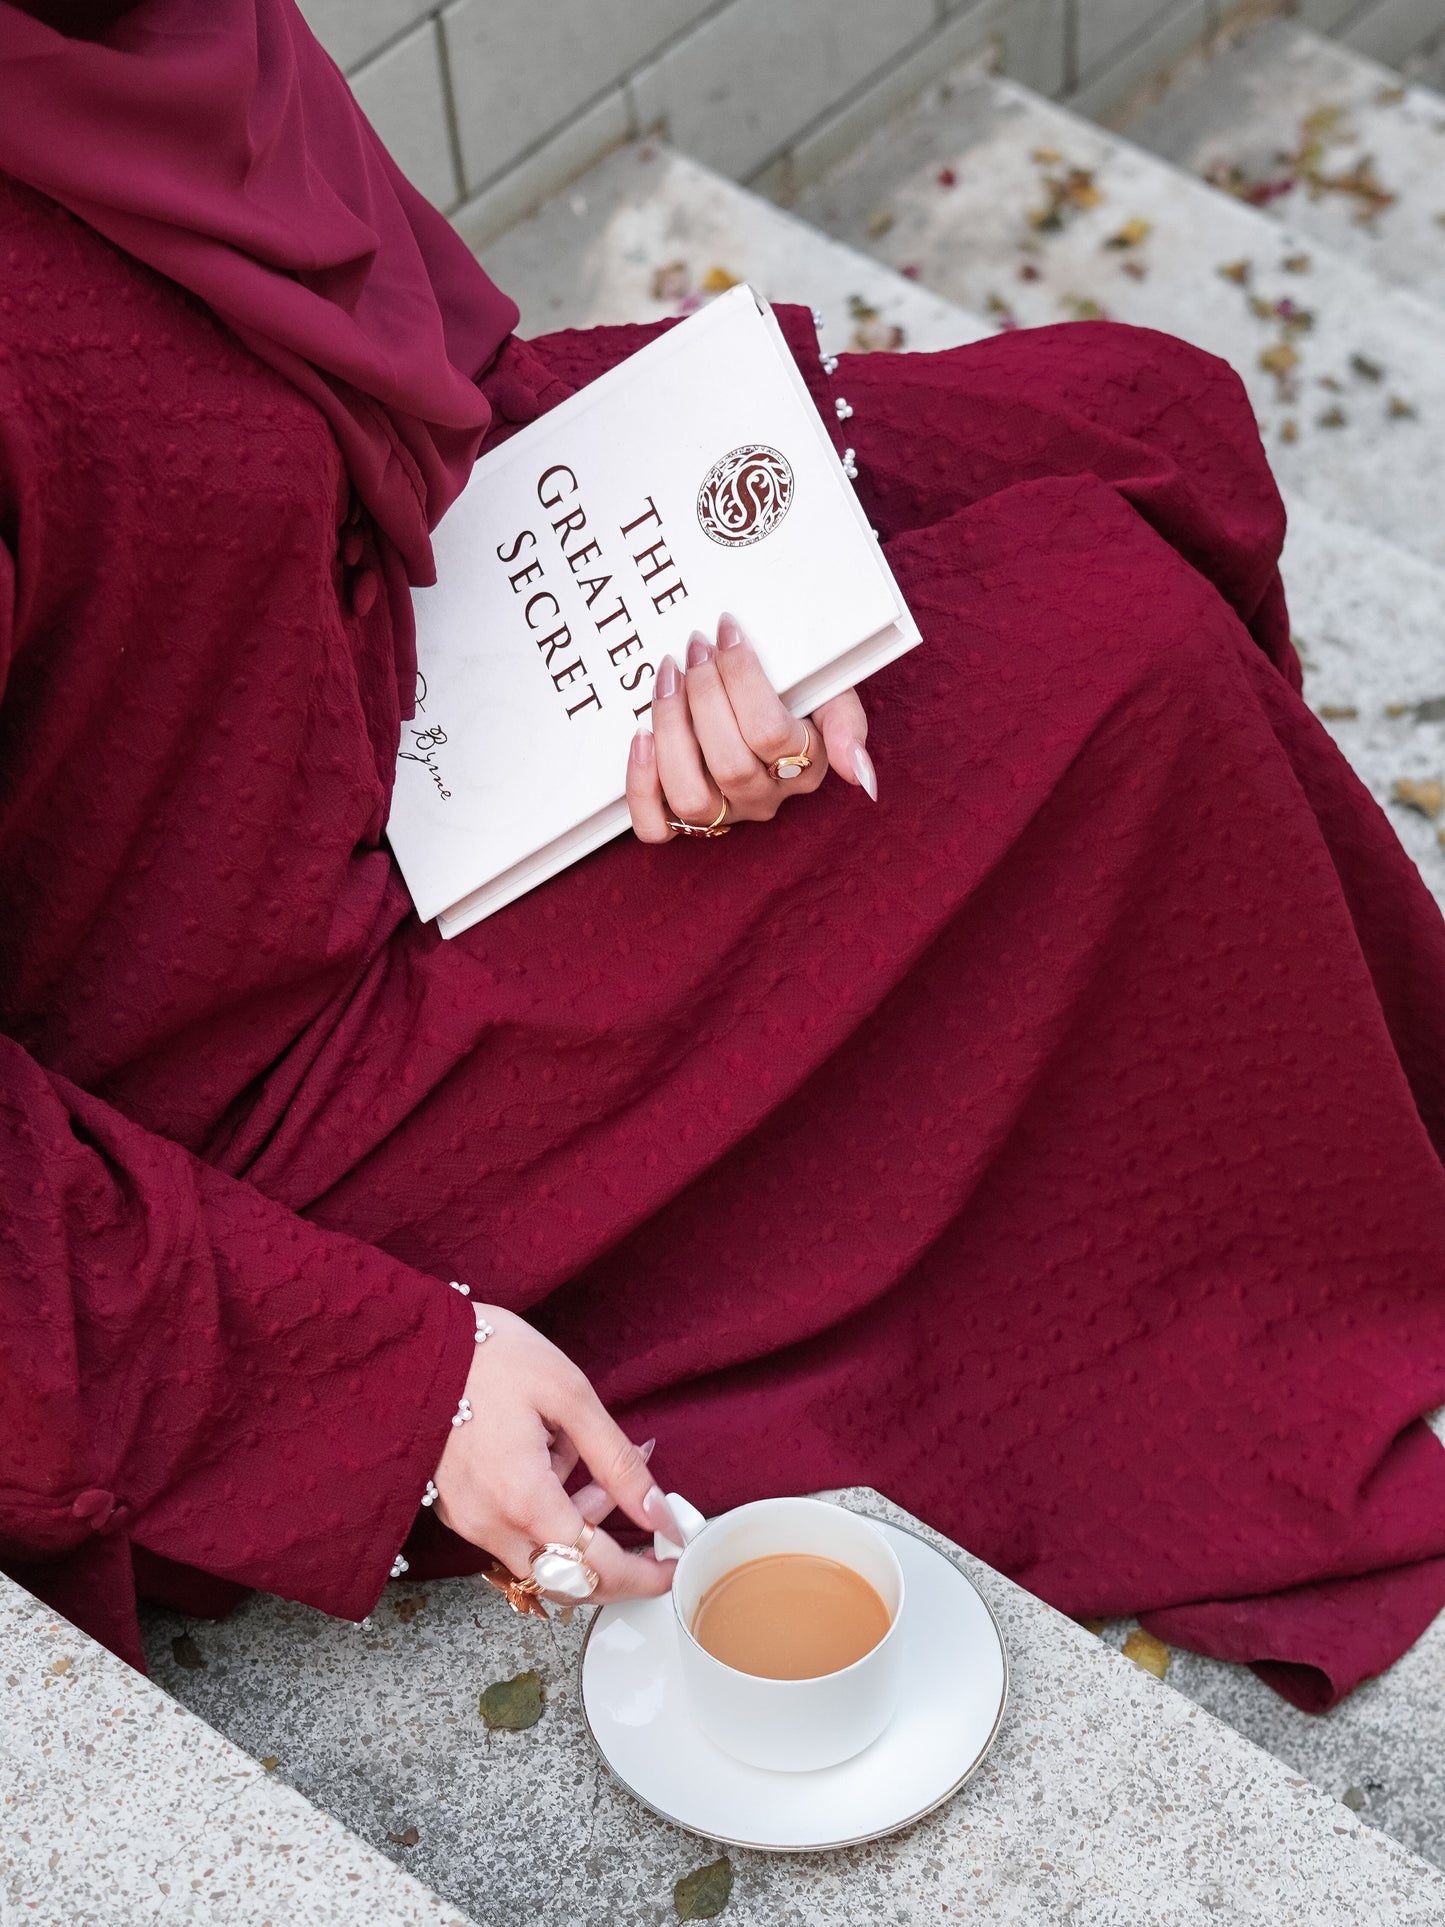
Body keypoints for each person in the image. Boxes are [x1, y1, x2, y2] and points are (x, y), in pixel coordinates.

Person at [3, 0, 1445, 1714]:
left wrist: (667, 614)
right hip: (230, 1104)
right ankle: (1249, 1269)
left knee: (1138, 416)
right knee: (1114, 668)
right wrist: (386, 1386)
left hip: (398, 651)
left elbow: (367, 371)